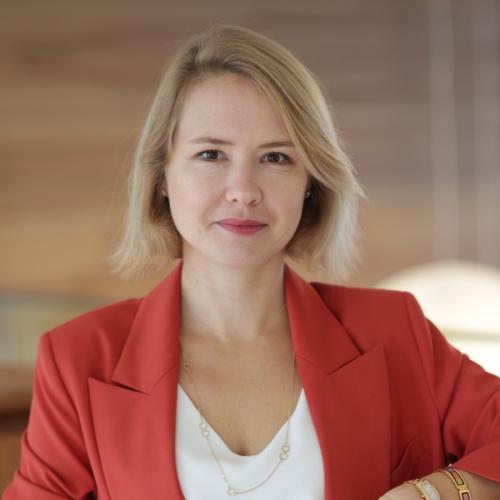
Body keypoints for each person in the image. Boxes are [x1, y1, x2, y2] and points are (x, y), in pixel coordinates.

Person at [3, 23, 500, 500]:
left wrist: (438, 492)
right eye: (211, 154)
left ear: (311, 183)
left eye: (276, 157)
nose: (243, 190)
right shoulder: (79, 360)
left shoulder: (393, 331)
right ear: (161, 174)